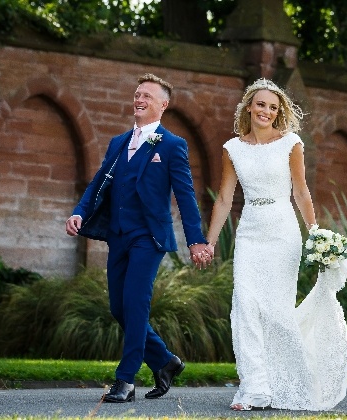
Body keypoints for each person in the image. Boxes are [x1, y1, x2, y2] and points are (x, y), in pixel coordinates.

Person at [204, 78, 347, 411]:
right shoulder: (232, 149)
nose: (266, 111)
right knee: (244, 302)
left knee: (276, 310)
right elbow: (225, 198)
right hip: (250, 233)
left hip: (283, 232)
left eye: (272, 107)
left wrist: (316, 234)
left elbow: (300, 192)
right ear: (249, 107)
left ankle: (280, 382)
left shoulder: (291, 143)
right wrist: (209, 242)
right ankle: (254, 386)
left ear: (279, 111)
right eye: (260, 104)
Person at [66, 73, 213, 403]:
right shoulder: (118, 143)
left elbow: (186, 196)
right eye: (136, 94)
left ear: (163, 104)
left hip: (149, 238)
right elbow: (98, 183)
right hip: (117, 234)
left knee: (135, 304)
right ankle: (165, 361)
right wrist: (79, 211)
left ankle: (125, 380)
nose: (139, 99)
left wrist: (196, 240)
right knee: (119, 308)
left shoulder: (172, 145)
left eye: (146, 95)